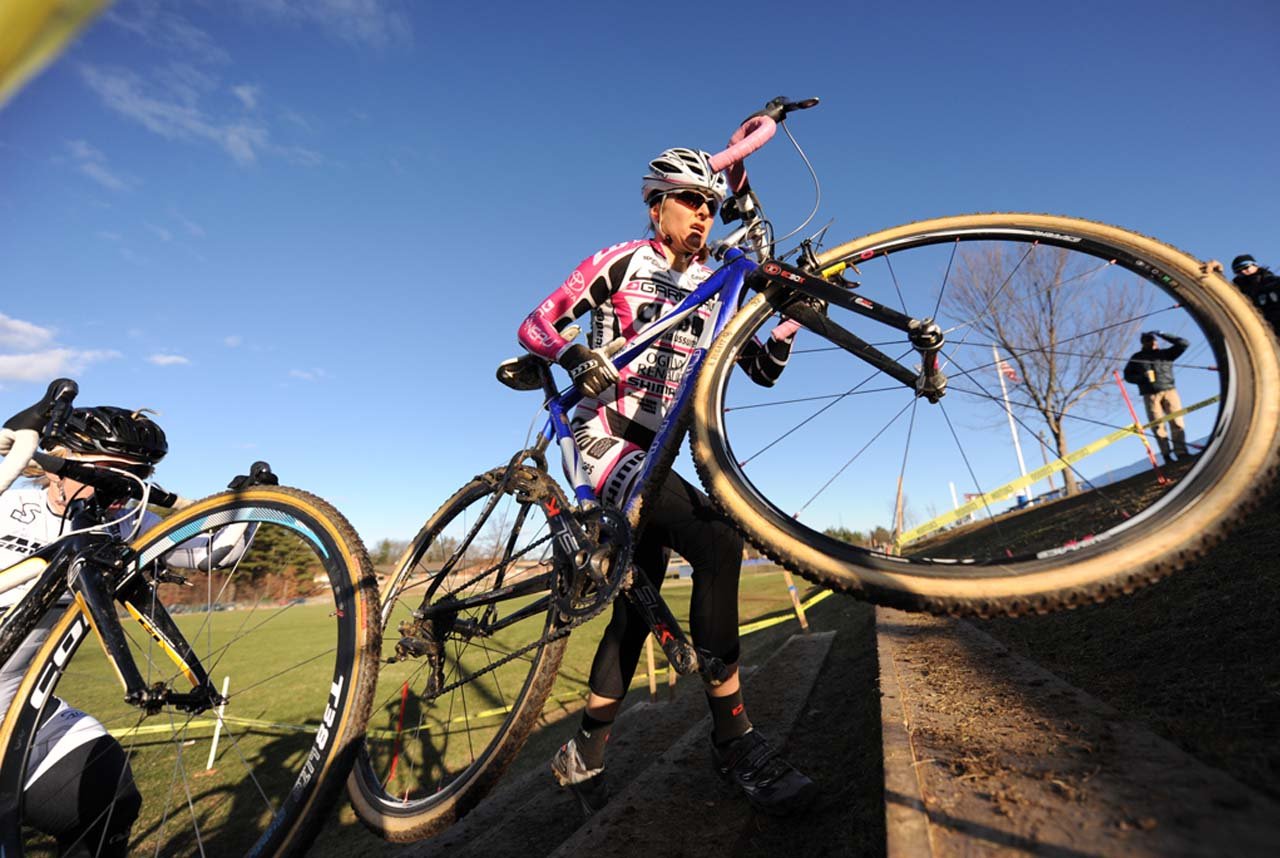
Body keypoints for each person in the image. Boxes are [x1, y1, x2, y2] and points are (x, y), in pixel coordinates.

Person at [517, 147, 815, 817]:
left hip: (658, 453)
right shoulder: (621, 260)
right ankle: (734, 739)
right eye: (690, 201)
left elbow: (762, 369)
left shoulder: (717, 285)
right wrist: (573, 353)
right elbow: (535, 324)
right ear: (657, 206)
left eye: (712, 205)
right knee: (715, 542)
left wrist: (789, 322)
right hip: (604, 439)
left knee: (637, 594)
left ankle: (585, 752)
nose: (704, 215)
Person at [0, 399, 254, 856]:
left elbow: (213, 553)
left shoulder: (126, 524)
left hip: (19, 708)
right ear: (59, 459)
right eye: (106, 469)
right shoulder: (7, 501)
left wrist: (248, 507)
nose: (118, 488)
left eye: (135, 475)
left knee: (107, 792)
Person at [1122, 331, 1190, 465]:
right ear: (1143, 343)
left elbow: (1184, 343)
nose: (1151, 342)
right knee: (1157, 425)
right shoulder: (1137, 357)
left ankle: (1181, 452)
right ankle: (1166, 456)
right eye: (1147, 340)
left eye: (1153, 340)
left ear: (1156, 340)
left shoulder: (1165, 354)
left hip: (1170, 390)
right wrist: (1142, 379)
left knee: (1177, 421)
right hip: (1150, 394)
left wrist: (1163, 334)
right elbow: (1127, 376)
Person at [1230, 254, 1280, 333]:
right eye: (1238, 271)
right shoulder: (1238, 293)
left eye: (1246, 267)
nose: (1243, 271)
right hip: (1260, 332)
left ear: (1255, 265)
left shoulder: (1274, 282)